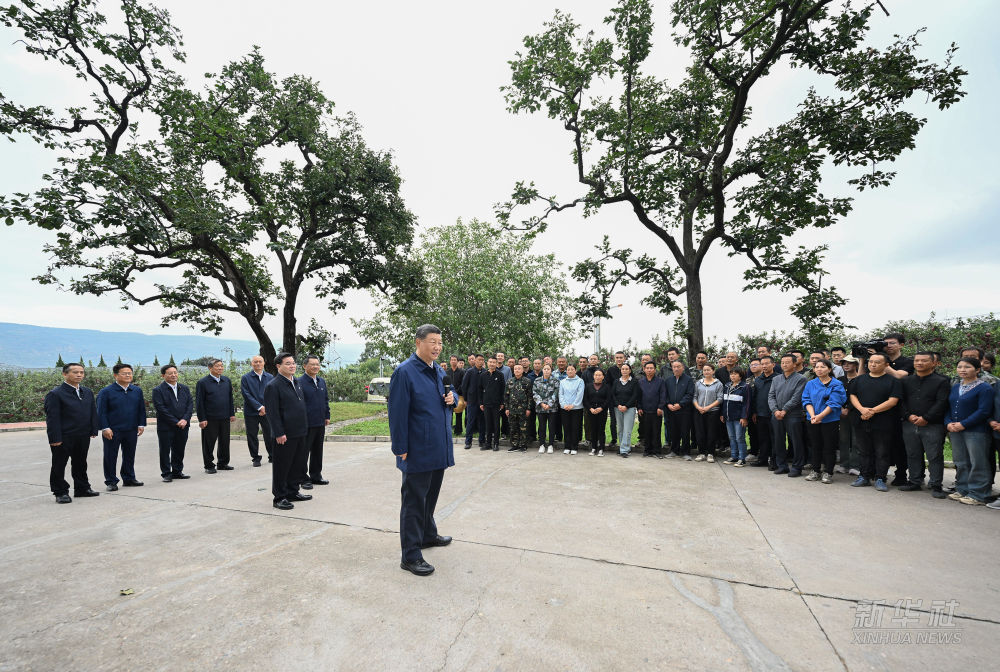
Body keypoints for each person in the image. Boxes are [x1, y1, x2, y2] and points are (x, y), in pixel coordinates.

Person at [387, 325, 456, 576]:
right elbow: (396, 413)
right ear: (418, 343)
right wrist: (400, 448)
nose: (437, 347)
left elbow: (451, 394)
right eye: (432, 342)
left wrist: (453, 399)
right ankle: (411, 555)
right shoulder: (405, 372)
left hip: (438, 447)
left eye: (440, 342)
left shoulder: (438, 370)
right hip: (417, 449)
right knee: (414, 502)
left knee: (430, 497)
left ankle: (428, 534)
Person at [44, 363, 100, 503]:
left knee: (81, 463)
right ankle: (60, 492)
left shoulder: (87, 391)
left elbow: (92, 411)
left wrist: (93, 428)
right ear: (64, 374)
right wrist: (55, 438)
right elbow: (52, 418)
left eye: (81, 372)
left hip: (82, 435)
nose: (79, 375)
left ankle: (82, 488)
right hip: (63, 436)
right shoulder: (55, 394)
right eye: (75, 372)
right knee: (59, 465)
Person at [898, 351, 950, 497]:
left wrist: (926, 417)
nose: (919, 363)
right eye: (916, 360)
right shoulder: (906, 381)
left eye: (924, 360)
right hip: (909, 423)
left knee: (934, 455)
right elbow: (901, 401)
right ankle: (914, 481)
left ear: (934, 363)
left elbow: (942, 402)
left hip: (932, 424)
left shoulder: (942, 381)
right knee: (912, 454)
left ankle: (936, 485)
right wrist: (908, 416)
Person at [849, 353, 902, 492]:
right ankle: (864, 476)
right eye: (871, 362)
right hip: (861, 420)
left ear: (886, 365)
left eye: (877, 362)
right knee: (863, 451)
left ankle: (880, 478)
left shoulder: (893, 381)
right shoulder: (859, 380)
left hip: (883, 422)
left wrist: (872, 411)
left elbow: (893, 401)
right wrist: (862, 409)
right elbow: (852, 395)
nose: (872, 364)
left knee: (882, 452)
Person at [946, 357, 995, 506]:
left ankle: (979, 494)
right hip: (955, 429)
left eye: (967, 367)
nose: (962, 370)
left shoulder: (984, 387)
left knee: (977, 462)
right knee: (961, 461)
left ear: (977, 370)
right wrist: (948, 423)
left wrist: (964, 424)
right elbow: (948, 407)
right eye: (960, 367)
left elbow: (984, 411)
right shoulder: (956, 386)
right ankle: (962, 489)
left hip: (976, 431)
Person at [265, 353, 311, 511]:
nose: (292, 366)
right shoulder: (273, 386)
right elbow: (272, 412)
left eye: (293, 363)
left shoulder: (296, 382)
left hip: (300, 431)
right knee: (282, 467)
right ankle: (279, 497)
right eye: (288, 364)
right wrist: (279, 433)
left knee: (297, 465)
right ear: (278, 366)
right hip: (284, 434)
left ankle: (293, 491)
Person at [96, 363, 146, 491]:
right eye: (124, 373)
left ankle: (129, 478)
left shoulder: (136, 390)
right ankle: (111, 481)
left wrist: (141, 424)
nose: (128, 375)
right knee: (110, 456)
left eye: (130, 373)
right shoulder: (106, 392)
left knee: (129, 455)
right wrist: (105, 427)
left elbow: (141, 409)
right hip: (113, 430)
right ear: (115, 375)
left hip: (131, 429)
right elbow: (101, 412)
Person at [801, 359, 846, 483]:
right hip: (813, 419)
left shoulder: (836, 384)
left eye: (823, 367)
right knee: (815, 446)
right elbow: (806, 400)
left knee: (829, 447)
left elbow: (835, 402)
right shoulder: (811, 384)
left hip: (830, 420)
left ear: (829, 369)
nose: (819, 369)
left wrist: (820, 416)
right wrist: (813, 415)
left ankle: (828, 472)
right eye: (817, 367)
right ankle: (816, 470)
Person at [152, 364, 193, 483]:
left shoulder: (184, 388)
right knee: (165, 450)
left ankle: (177, 471)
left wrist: (185, 419)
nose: (174, 375)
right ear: (163, 375)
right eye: (170, 373)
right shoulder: (158, 390)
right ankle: (166, 473)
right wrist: (176, 422)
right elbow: (161, 408)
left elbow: (190, 405)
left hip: (183, 425)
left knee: (179, 449)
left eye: (175, 372)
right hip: (166, 426)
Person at [768, 354, 806, 476]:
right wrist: (775, 410)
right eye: (783, 362)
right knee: (778, 440)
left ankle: (797, 467)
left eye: (787, 362)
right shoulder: (776, 379)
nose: (784, 364)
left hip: (793, 415)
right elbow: (771, 396)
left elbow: (797, 398)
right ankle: (782, 465)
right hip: (777, 414)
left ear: (794, 364)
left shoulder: (801, 379)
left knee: (796, 441)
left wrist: (784, 410)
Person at [196, 359, 236, 474]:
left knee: (224, 441)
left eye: (221, 366)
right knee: (209, 443)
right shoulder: (203, 382)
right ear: (210, 368)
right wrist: (202, 418)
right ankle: (209, 465)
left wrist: (231, 413)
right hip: (210, 418)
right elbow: (200, 402)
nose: (220, 368)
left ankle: (223, 463)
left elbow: (230, 399)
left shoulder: (226, 380)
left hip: (224, 417)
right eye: (217, 366)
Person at [298, 355, 331, 487]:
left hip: (320, 422)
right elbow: (299, 404)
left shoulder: (321, 381)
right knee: (303, 452)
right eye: (312, 364)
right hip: (306, 423)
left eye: (317, 364)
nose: (315, 367)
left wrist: (326, 415)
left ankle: (316, 475)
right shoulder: (299, 382)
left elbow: (325, 400)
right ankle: (302, 478)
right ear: (305, 366)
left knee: (318, 451)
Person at [240, 355, 274, 467]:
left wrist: (266, 407)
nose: (258, 364)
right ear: (251, 364)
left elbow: (272, 394)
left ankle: (272, 455)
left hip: (267, 411)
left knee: (269, 434)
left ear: (264, 363)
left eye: (260, 361)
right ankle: (255, 458)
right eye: (255, 362)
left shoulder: (270, 377)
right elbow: (246, 394)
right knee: (252, 435)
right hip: (251, 411)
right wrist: (259, 407)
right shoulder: (246, 378)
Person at [836, 356, 863, 475]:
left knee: (856, 440)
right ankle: (844, 464)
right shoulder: (839, 379)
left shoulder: (860, 379)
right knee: (843, 439)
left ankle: (855, 466)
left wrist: (848, 408)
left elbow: (860, 396)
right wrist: (841, 408)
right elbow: (835, 395)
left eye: (850, 363)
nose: (846, 365)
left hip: (856, 413)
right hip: (841, 414)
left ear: (856, 365)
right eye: (844, 363)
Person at [721, 368, 753, 467]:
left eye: (735, 374)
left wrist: (744, 417)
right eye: (731, 374)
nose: (733, 376)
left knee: (740, 438)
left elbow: (747, 403)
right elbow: (724, 402)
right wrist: (723, 414)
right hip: (728, 417)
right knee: (732, 437)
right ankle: (734, 456)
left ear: (740, 375)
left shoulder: (745, 386)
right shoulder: (727, 385)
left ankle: (741, 458)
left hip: (739, 418)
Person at [692, 364, 723, 463]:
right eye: (704, 370)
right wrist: (698, 407)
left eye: (708, 370)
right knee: (700, 433)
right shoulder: (698, 383)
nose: (706, 372)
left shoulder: (718, 384)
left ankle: (710, 453)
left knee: (711, 433)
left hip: (713, 412)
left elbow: (720, 398)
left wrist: (708, 408)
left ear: (713, 371)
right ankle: (701, 453)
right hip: (699, 411)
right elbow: (695, 396)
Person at [664, 360, 694, 460]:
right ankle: (674, 451)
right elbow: (665, 394)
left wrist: (680, 404)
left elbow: (690, 394)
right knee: (673, 431)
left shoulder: (689, 380)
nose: (676, 369)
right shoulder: (668, 380)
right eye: (674, 367)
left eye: (678, 367)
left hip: (684, 410)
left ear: (683, 368)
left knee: (685, 431)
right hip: (671, 410)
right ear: (672, 368)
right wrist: (668, 404)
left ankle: (686, 452)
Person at [751, 356, 776, 469]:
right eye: (762, 364)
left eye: (767, 364)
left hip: (773, 413)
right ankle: (763, 459)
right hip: (760, 414)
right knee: (762, 438)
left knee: (774, 438)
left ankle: (774, 461)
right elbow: (755, 397)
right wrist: (754, 412)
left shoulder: (778, 378)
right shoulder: (758, 380)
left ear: (773, 365)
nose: (764, 366)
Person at [637, 361, 666, 457]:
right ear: (644, 369)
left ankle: (657, 451)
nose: (649, 370)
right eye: (647, 368)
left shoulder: (660, 381)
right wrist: (639, 407)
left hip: (656, 411)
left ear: (655, 369)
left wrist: (660, 407)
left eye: (651, 368)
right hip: (644, 411)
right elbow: (639, 396)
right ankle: (647, 450)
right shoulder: (640, 382)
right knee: (646, 431)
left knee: (656, 431)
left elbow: (663, 395)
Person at [611, 363, 639, 457]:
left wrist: (626, 406)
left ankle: (624, 450)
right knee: (620, 429)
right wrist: (618, 405)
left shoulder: (634, 382)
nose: (624, 370)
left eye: (626, 369)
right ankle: (622, 447)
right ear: (621, 370)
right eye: (623, 369)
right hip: (617, 408)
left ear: (630, 371)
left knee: (627, 430)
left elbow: (635, 395)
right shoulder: (616, 381)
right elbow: (613, 395)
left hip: (629, 408)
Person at [504, 364, 533, 452]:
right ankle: (514, 445)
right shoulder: (510, 381)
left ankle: (523, 445)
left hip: (523, 410)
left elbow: (530, 396)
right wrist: (507, 408)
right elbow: (506, 396)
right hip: (512, 409)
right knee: (513, 427)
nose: (517, 370)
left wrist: (528, 408)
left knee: (523, 428)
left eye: (519, 369)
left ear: (522, 370)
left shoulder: (527, 381)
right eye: (515, 369)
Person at [533, 364, 560, 454]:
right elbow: (535, 393)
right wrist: (541, 403)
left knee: (551, 427)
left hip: (552, 408)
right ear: (542, 370)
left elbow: (556, 393)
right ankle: (541, 444)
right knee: (541, 427)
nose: (546, 370)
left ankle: (551, 445)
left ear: (551, 370)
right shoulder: (537, 381)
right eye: (545, 369)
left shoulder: (555, 381)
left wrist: (549, 404)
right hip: (541, 408)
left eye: (548, 369)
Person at [584, 369, 612, 456]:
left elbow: (608, 399)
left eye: (600, 375)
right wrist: (590, 408)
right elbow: (585, 399)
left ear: (603, 376)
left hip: (602, 411)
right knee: (593, 430)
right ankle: (593, 448)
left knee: (601, 430)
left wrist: (601, 408)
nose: (597, 376)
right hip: (591, 411)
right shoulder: (588, 386)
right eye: (596, 375)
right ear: (593, 376)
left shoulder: (607, 387)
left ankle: (601, 449)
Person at [480, 357, 505, 451]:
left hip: (496, 404)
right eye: (490, 362)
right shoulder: (483, 375)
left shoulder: (500, 375)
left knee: (496, 424)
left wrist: (502, 402)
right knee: (488, 424)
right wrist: (481, 403)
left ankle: (496, 443)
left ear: (496, 363)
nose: (492, 364)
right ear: (487, 363)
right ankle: (488, 443)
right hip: (486, 403)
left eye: (494, 362)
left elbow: (503, 389)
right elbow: (480, 389)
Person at [559, 365, 585, 455]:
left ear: (575, 371)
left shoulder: (580, 381)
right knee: (566, 427)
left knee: (575, 427)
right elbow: (561, 394)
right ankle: (567, 446)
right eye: (568, 370)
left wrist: (573, 405)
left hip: (576, 408)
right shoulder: (562, 382)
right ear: (566, 371)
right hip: (565, 408)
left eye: (572, 369)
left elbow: (580, 394)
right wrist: (564, 405)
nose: (570, 371)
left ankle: (574, 447)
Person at [462, 354, 486, 449]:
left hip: (483, 402)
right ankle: (468, 442)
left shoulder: (485, 372)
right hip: (472, 401)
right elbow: (464, 386)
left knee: (482, 422)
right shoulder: (470, 372)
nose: (481, 361)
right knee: (470, 421)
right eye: (479, 360)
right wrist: (465, 399)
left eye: (482, 360)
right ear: (475, 360)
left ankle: (482, 441)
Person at [605, 352, 624, 449]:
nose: (619, 359)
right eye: (617, 357)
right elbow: (607, 384)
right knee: (613, 421)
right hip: (613, 399)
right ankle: (614, 439)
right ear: (614, 359)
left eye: (621, 357)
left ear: (624, 358)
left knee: (624, 422)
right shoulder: (611, 370)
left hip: (625, 400)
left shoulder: (627, 369)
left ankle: (624, 440)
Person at [451, 355, 466, 436]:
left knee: (458, 413)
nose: (453, 361)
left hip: (459, 395)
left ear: (457, 361)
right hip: (449, 395)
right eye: (452, 360)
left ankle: (458, 430)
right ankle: (448, 429)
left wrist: (456, 392)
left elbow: (462, 384)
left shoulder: (461, 372)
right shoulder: (447, 372)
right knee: (449, 413)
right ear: (450, 361)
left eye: (455, 360)